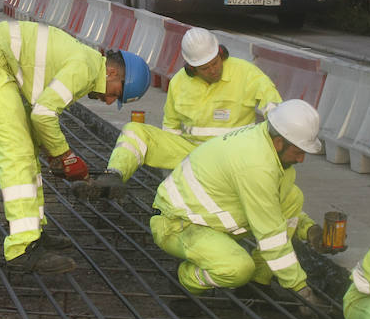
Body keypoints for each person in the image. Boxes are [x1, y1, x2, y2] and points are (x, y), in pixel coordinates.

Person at [0, 20, 152, 274]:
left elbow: (40, 112)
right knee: (17, 156)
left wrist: (52, 154)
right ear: (113, 73)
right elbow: (44, 114)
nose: (109, 101)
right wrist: (66, 156)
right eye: (116, 93)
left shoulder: (86, 64)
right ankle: (21, 249)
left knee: (29, 153)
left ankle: (33, 233)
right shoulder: (86, 68)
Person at [146, 100, 331, 305]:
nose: (302, 159)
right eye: (298, 152)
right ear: (279, 142)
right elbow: (270, 231)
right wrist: (301, 290)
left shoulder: (265, 141)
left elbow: (273, 207)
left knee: (293, 197)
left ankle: (258, 283)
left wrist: (308, 229)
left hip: (207, 217)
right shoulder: (255, 165)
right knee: (238, 268)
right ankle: (186, 280)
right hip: (178, 223)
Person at [76, 28, 281, 201]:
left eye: (215, 63)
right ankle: (114, 175)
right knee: (133, 130)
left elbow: (276, 112)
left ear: (221, 54)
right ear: (192, 67)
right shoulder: (179, 83)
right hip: (193, 154)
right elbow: (171, 133)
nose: (212, 70)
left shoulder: (246, 73)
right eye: (204, 68)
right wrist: (173, 184)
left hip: (235, 157)